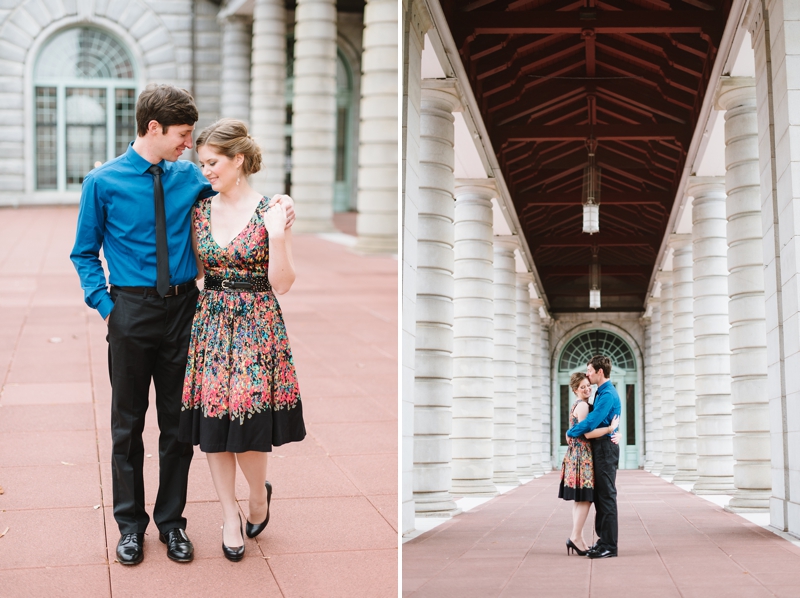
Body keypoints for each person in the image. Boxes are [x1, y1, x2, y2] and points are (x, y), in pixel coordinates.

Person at [70, 85, 295, 566]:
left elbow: (240, 186)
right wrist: (108, 308)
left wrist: (284, 203)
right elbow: (84, 253)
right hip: (129, 310)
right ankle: (130, 527)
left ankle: (172, 524)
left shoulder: (191, 178)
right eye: (183, 134)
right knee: (127, 426)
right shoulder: (102, 182)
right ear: (154, 128)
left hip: (186, 312)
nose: (189, 145)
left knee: (178, 428)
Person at [178, 118, 306, 562]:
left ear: (238, 160)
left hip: (258, 323)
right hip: (211, 322)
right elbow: (197, 272)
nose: (205, 170)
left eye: (212, 162)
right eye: (202, 163)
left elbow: (284, 283)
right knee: (214, 427)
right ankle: (229, 515)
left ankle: (257, 497)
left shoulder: (273, 208)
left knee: (250, 428)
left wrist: (275, 234)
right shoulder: (199, 210)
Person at [566, 355, 622, 559]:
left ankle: (609, 545)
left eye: (589, 370)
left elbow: (591, 424)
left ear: (600, 371)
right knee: (600, 497)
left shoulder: (607, 394)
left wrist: (570, 432)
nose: (588, 374)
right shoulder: (601, 392)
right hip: (601, 448)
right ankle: (602, 541)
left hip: (605, 449)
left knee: (606, 497)